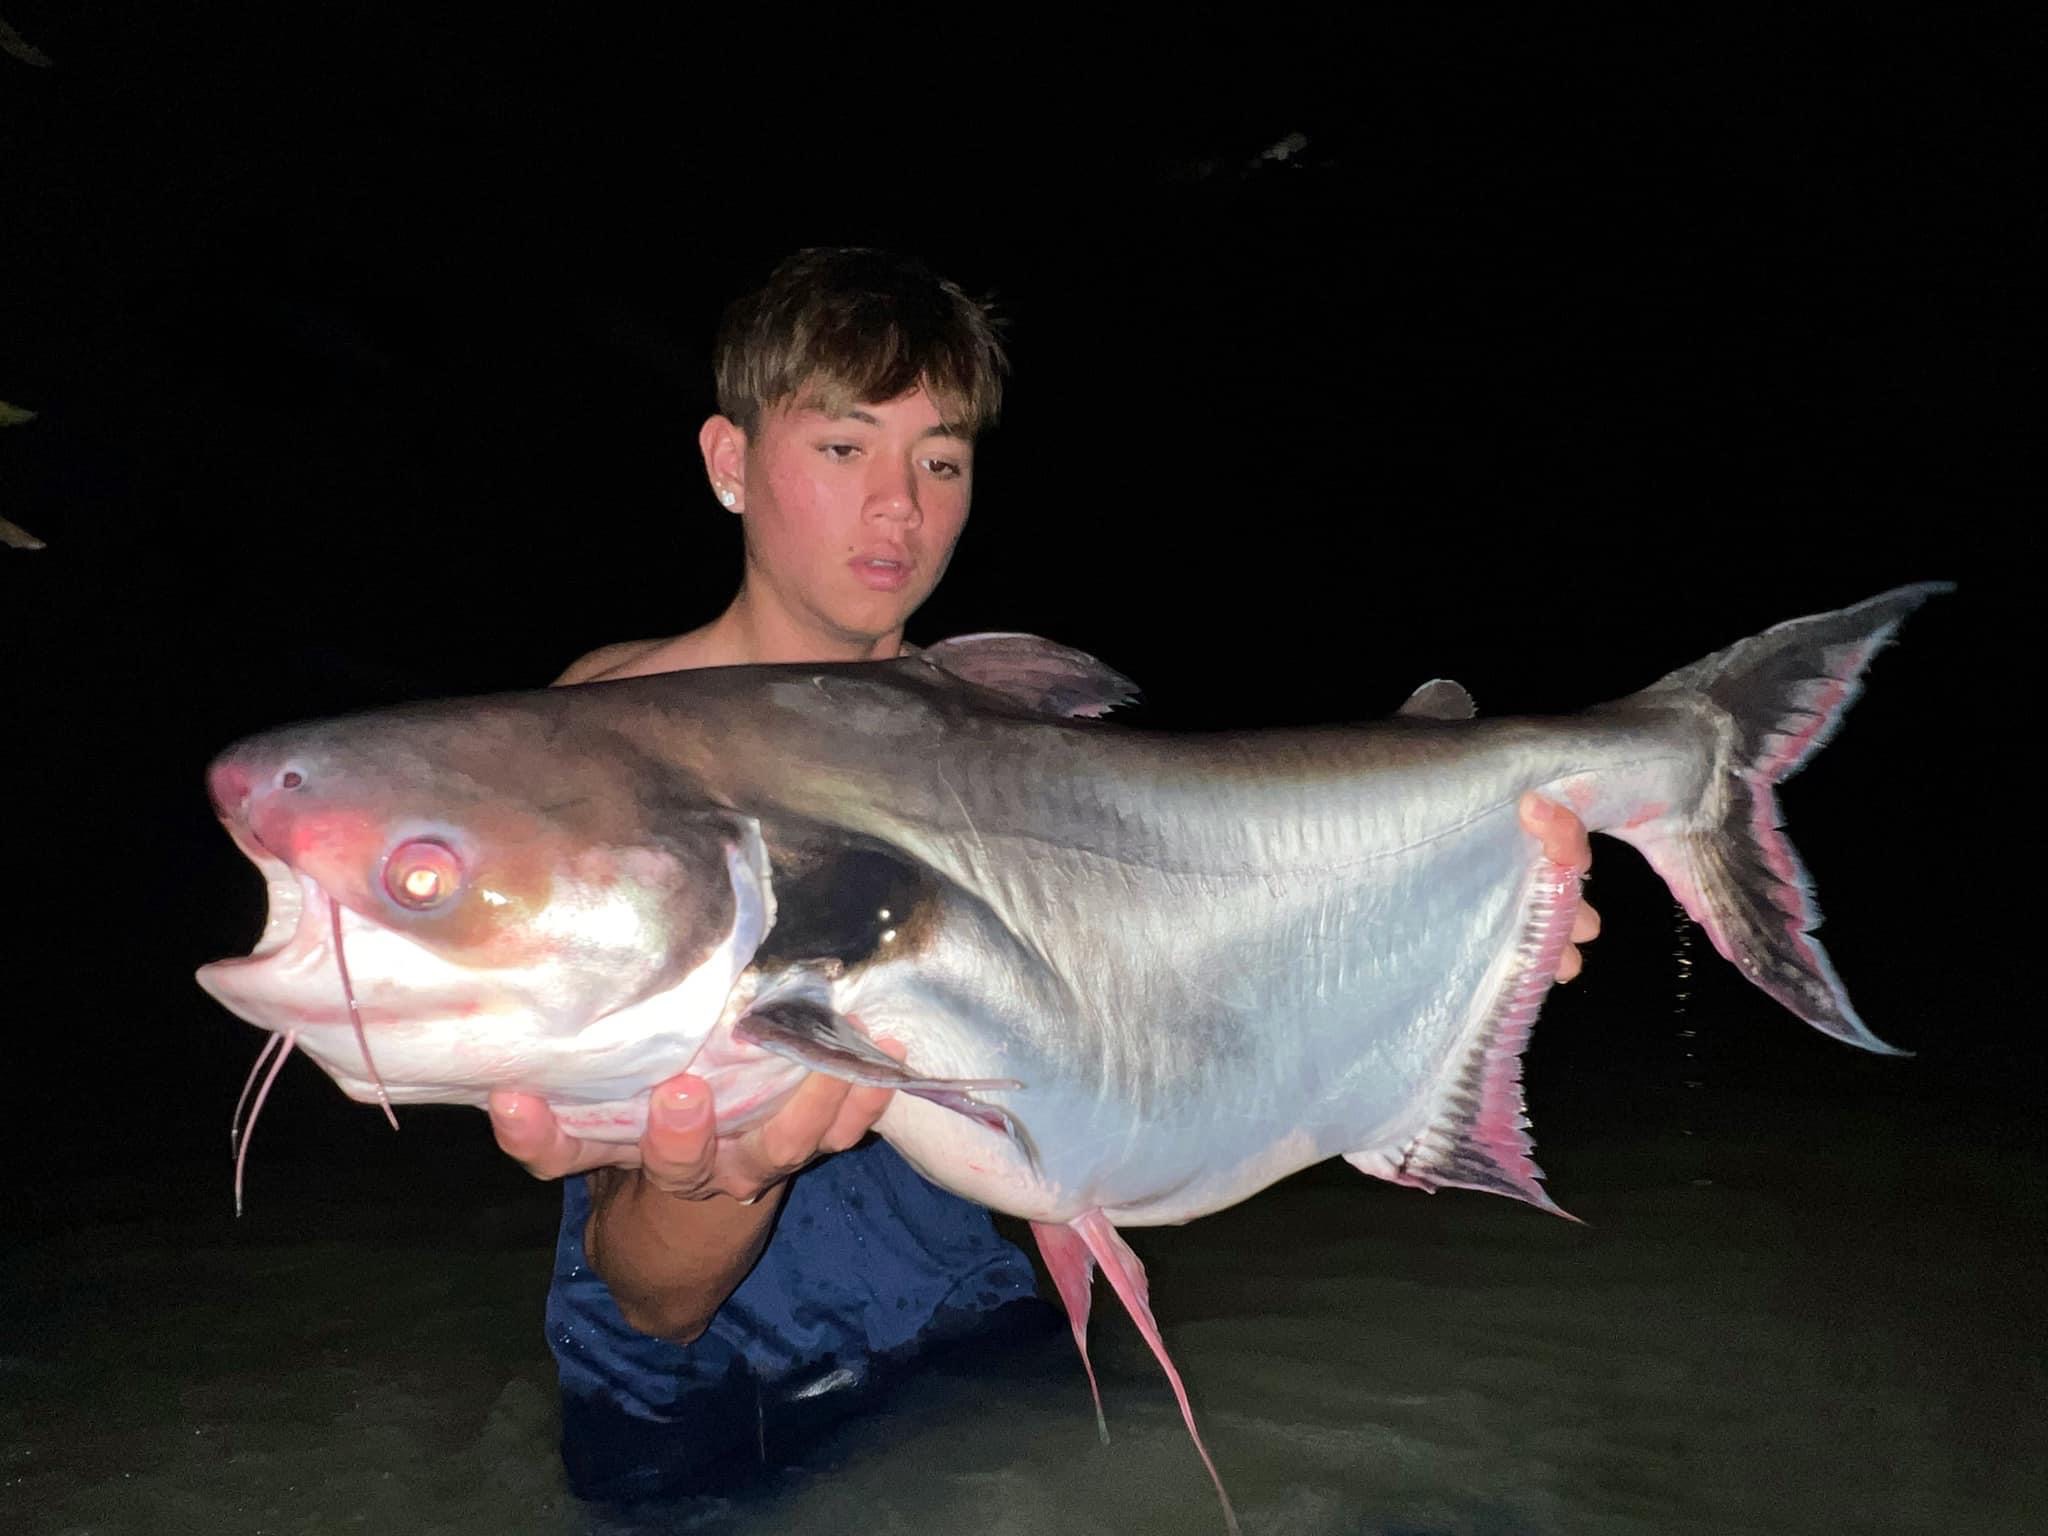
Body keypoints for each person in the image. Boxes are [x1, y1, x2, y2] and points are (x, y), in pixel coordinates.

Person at [486, 247, 1601, 1506]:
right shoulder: (609, 737)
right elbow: (650, 1284)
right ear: (728, 462)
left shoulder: (1020, 755)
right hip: (709, 1393)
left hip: (970, 1317)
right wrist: (723, 1189)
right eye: (845, 450)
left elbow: (1168, 1058)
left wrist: (1444, 951)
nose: (900, 510)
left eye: (941, 460)